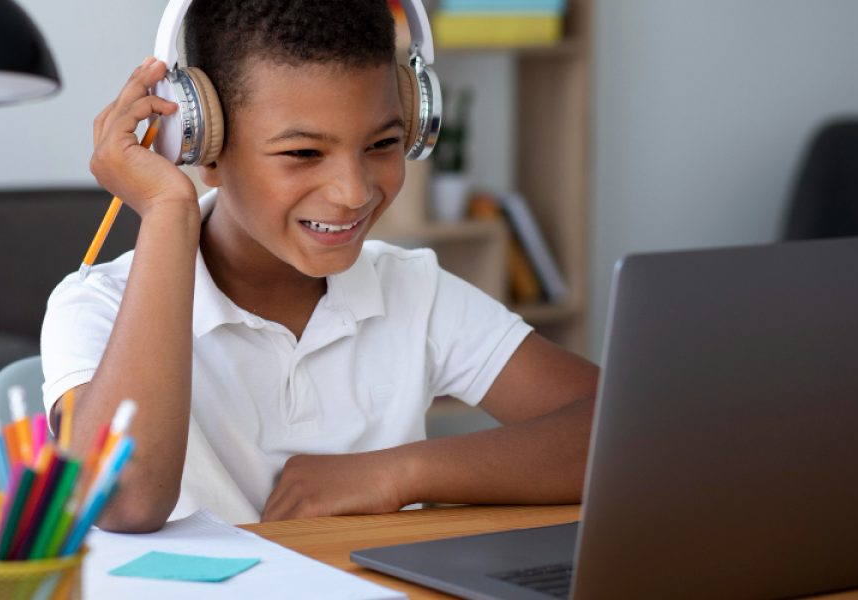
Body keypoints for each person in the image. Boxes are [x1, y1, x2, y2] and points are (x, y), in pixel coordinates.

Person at [41, 0, 598, 533]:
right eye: (304, 153)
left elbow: (627, 429)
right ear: (201, 144)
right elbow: (125, 502)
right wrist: (166, 210)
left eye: (382, 142)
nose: (353, 192)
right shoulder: (95, 306)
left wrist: (398, 472)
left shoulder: (413, 291)